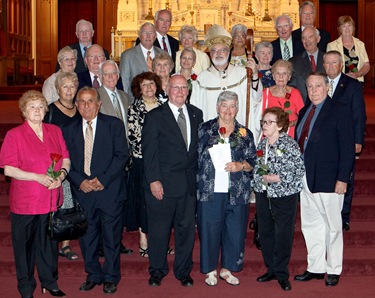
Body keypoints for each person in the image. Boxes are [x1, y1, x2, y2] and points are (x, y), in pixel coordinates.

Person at [0, 90, 70, 298]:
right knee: (25, 248)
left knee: (49, 246)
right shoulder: (15, 135)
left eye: (40, 106)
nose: (37, 110)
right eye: (32, 107)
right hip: (25, 203)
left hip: (50, 200)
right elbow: (8, 169)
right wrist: (37, 177)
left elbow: (65, 159)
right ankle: (26, 287)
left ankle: (50, 282)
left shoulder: (54, 131)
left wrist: (61, 176)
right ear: (24, 111)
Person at [63, 87, 128, 294]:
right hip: (83, 192)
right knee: (87, 238)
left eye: (90, 101)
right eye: (81, 102)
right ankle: (92, 274)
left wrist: (104, 180)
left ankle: (110, 277)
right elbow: (66, 161)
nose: (86, 105)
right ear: (76, 105)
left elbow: (122, 156)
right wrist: (79, 181)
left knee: (110, 237)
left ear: (99, 103)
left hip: (109, 191)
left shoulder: (114, 125)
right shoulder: (69, 129)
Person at [294, 72, 355, 287]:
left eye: (318, 86)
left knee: (332, 226)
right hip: (306, 179)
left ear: (327, 87)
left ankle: (333, 268)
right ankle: (316, 266)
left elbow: (348, 149)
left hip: (330, 179)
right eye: (309, 87)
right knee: (311, 225)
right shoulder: (304, 112)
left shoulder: (339, 111)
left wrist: (342, 179)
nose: (313, 91)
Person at [142, 75, 203, 287]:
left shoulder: (196, 114)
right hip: (163, 184)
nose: (179, 91)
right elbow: (148, 153)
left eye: (183, 88)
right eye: (175, 87)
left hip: (188, 185)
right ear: (167, 90)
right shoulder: (155, 116)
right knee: (159, 231)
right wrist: (153, 180)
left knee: (186, 231)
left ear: (188, 90)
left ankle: (183, 271)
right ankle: (157, 270)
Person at [197, 91, 256, 286]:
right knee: (210, 230)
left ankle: (227, 269)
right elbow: (194, 158)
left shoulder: (245, 133)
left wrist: (241, 166)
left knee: (235, 230)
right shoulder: (204, 130)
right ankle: (210, 270)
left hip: (237, 191)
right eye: (224, 105)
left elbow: (252, 161)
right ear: (217, 107)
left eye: (232, 106)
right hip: (210, 189)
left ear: (237, 109)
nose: (228, 110)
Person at [253, 107, 304, 291]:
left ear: (280, 125)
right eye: (263, 122)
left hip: (284, 195)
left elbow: (299, 170)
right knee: (266, 232)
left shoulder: (289, 144)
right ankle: (271, 269)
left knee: (283, 234)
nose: (264, 126)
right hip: (263, 194)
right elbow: (257, 167)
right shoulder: (261, 144)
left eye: (269, 122)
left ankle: (282, 273)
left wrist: (279, 178)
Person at [190, 24, 263, 144]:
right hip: (210, 140)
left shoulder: (242, 74)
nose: (218, 53)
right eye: (214, 50)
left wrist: (254, 75)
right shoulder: (202, 79)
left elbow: (256, 99)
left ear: (228, 52)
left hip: (238, 139)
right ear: (210, 54)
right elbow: (195, 111)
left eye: (222, 50)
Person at [323, 50, 366, 231]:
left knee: (345, 175)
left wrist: (358, 140)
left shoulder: (352, 85)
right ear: (323, 65)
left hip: (345, 139)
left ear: (341, 65)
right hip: (324, 140)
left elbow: (359, 115)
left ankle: (343, 216)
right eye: (328, 63)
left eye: (334, 63)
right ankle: (326, 214)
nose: (331, 66)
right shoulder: (319, 84)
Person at [44, 71, 81, 261]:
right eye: (65, 86)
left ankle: (66, 245)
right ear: (58, 89)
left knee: (72, 205)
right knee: (61, 204)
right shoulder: (49, 111)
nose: (69, 90)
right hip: (58, 164)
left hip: (79, 163)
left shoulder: (80, 108)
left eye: (72, 86)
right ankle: (52, 243)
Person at [98, 59, 133, 255]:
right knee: (106, 206)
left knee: (119, 204)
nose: (111, 77)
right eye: (107, 74)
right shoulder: (96, 97)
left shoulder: (124, 97)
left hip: (124, 159)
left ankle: (116, 242)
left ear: (118, 76)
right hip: (106, 161)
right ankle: (104, 245)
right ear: (101, 77)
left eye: (114, 74)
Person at [127, 72, 163, 258]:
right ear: (138, 89)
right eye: (144, 85)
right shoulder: (134, 109)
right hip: (142, 160)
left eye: (151, 84)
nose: (149, 88)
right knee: (144, 201)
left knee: (161, 202)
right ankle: (143, 239)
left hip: (163, 161)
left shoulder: (165, 106)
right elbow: (133, 138)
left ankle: (160, 241)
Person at [262, 59, 304, 138]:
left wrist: (290, 124)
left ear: (289, 77)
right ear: (273, 76)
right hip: (269, 136)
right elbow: (259, 116)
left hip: (290, 136)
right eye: (278, 73)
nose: (281, 76)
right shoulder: (265, 93)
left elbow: (303, 116)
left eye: (284, 73)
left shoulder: (295, 93)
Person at [120, 22, 164, 97]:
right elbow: (125, 83)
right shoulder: (127, 56)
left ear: (155, 36)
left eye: (151, 33)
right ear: (139, 36)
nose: (148, 36)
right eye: (145, 33)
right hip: (136, 102)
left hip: (160, 101)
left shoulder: (163, 54)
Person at [327, 15, 370, 83]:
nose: (347, 29)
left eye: (349, 25)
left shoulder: (361, 44)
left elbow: (366, 64)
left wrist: (358, 74)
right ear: (339, 29)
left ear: (353, 27)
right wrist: (344, 76)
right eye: (344, 26)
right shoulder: (332, 46)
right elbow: (329, 66)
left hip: (357, 83)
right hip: (340, 83)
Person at [289, 27, 325, 103]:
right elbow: (291, 88)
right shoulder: (294, 62)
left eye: (310, 37)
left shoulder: (327, 59)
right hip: (302, 107)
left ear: (318, 39)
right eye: (304, 38)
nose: (307, 41)